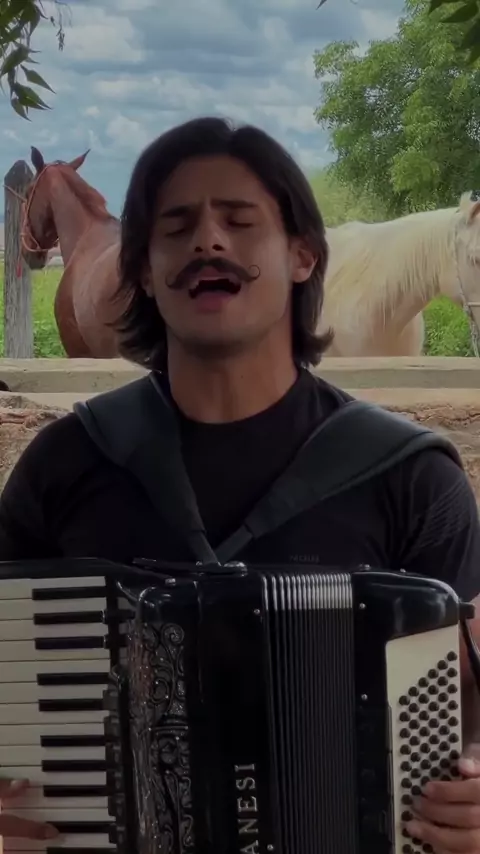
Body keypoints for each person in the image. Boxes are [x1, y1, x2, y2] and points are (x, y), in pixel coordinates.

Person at [0, 116, 479, 851]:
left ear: (303, 255)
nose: (208, 241)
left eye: (239, 219)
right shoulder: (65, 464)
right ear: (143, 271)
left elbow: (470, 693)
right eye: (176, 226)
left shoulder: (411, 478)